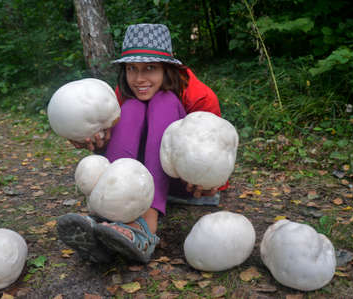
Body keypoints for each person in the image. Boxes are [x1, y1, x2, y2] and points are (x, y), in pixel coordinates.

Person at [57, 23, 228, 264]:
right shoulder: (123, 94)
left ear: (167, 69)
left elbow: (215, 158)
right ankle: (107, 225)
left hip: (180, 182)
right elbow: (118, 147)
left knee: (164, 101)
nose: (139, 79)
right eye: (131, 69)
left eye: (150, 68)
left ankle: (145, 228)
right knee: (132, 107)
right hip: (133, 179)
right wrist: (93, 142)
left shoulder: (200, 97)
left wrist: (211, 182)